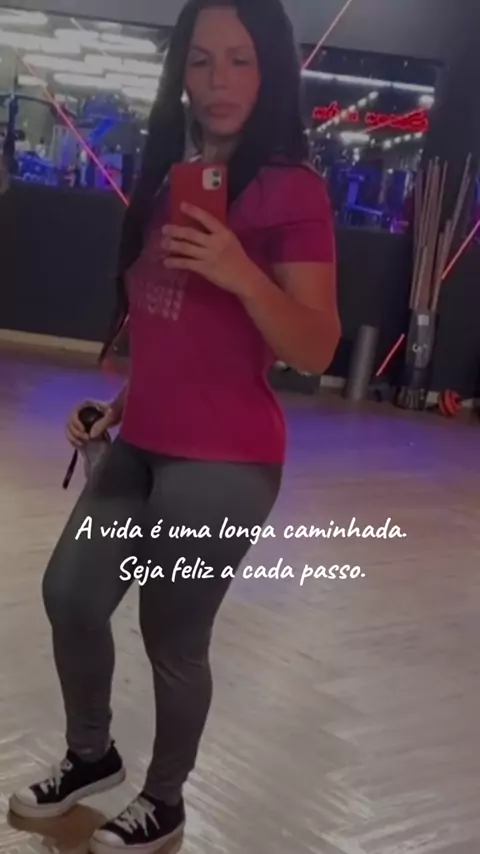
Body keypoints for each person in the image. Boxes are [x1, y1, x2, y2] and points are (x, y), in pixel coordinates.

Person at [9, 0, 340, 851]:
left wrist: (239, 269)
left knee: (173, 635)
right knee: (71, 596)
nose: (218, 80)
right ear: (180, 73)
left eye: (239, 60)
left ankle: (166, 800)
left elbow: (314, 345)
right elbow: (172, 323)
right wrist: (118, 407)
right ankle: (92, 755)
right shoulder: (169, 179)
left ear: (270, 71)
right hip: (142, 441)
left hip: (227, 458)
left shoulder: (292, 188)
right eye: (201, 60)